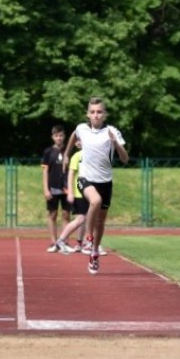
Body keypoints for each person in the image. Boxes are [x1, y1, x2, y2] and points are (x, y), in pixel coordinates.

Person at [63, 97, 128, 274]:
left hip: (105, 181)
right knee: (95, 201)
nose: (96, 115)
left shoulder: (112, 131)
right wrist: (67, 154)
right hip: (85, 178)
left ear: (105, 114)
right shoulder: (82, 129)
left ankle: (94, 253)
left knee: (101, 221)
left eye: (99, 112)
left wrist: (115, 143)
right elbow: (72, 137)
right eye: (92, 112)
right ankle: (88, 238)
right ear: (88, 114)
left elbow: (125, 158)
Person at [54, 136, 87, 254]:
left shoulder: (93, 155)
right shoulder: (77, 156)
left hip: (89, 190)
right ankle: (61, 240)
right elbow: (71, 175)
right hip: (80, 191)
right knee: (80, 219)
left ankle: (81, 243)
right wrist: (71, 192)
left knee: (86, 219)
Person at [41, 125, 70, 252]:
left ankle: (64, 241)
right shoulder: (48, 152)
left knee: (66, 215)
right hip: (52, 188)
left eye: (61, 135)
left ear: (64, 136)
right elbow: (45, 171)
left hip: (66, 188)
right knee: (52, 214)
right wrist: (46, 189)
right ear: (53, 137)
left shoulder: (69, 151)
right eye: (56, 136)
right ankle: (53, 242)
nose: (59, 138)